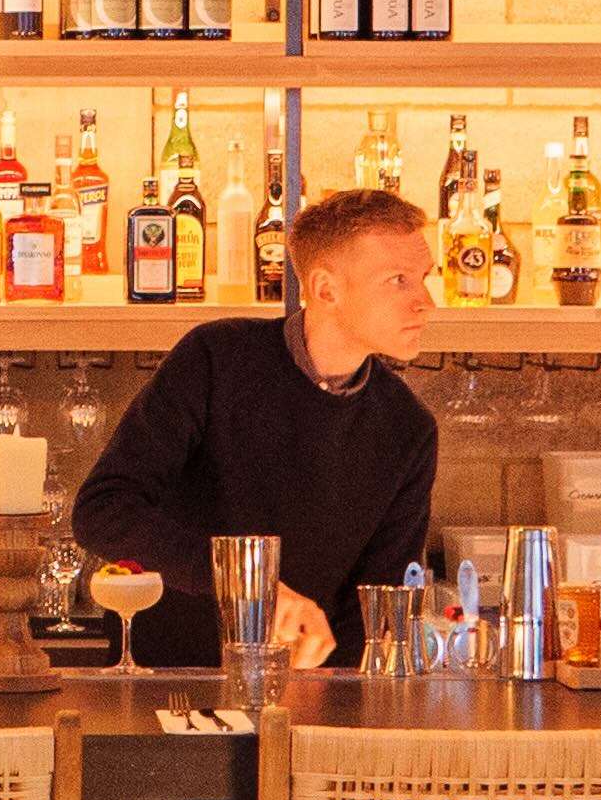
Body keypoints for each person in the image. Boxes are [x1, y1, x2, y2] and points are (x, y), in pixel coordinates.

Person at [72, 185, 438, 670]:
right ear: (325, 288)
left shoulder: (407, 428)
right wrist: (242, 582)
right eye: (399, 280)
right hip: (167, 683)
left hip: (304, 701)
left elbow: (375, 615)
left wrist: (326, 694)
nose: (426, 302)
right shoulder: (216, 360)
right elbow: (103, 510)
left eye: (424, 278)